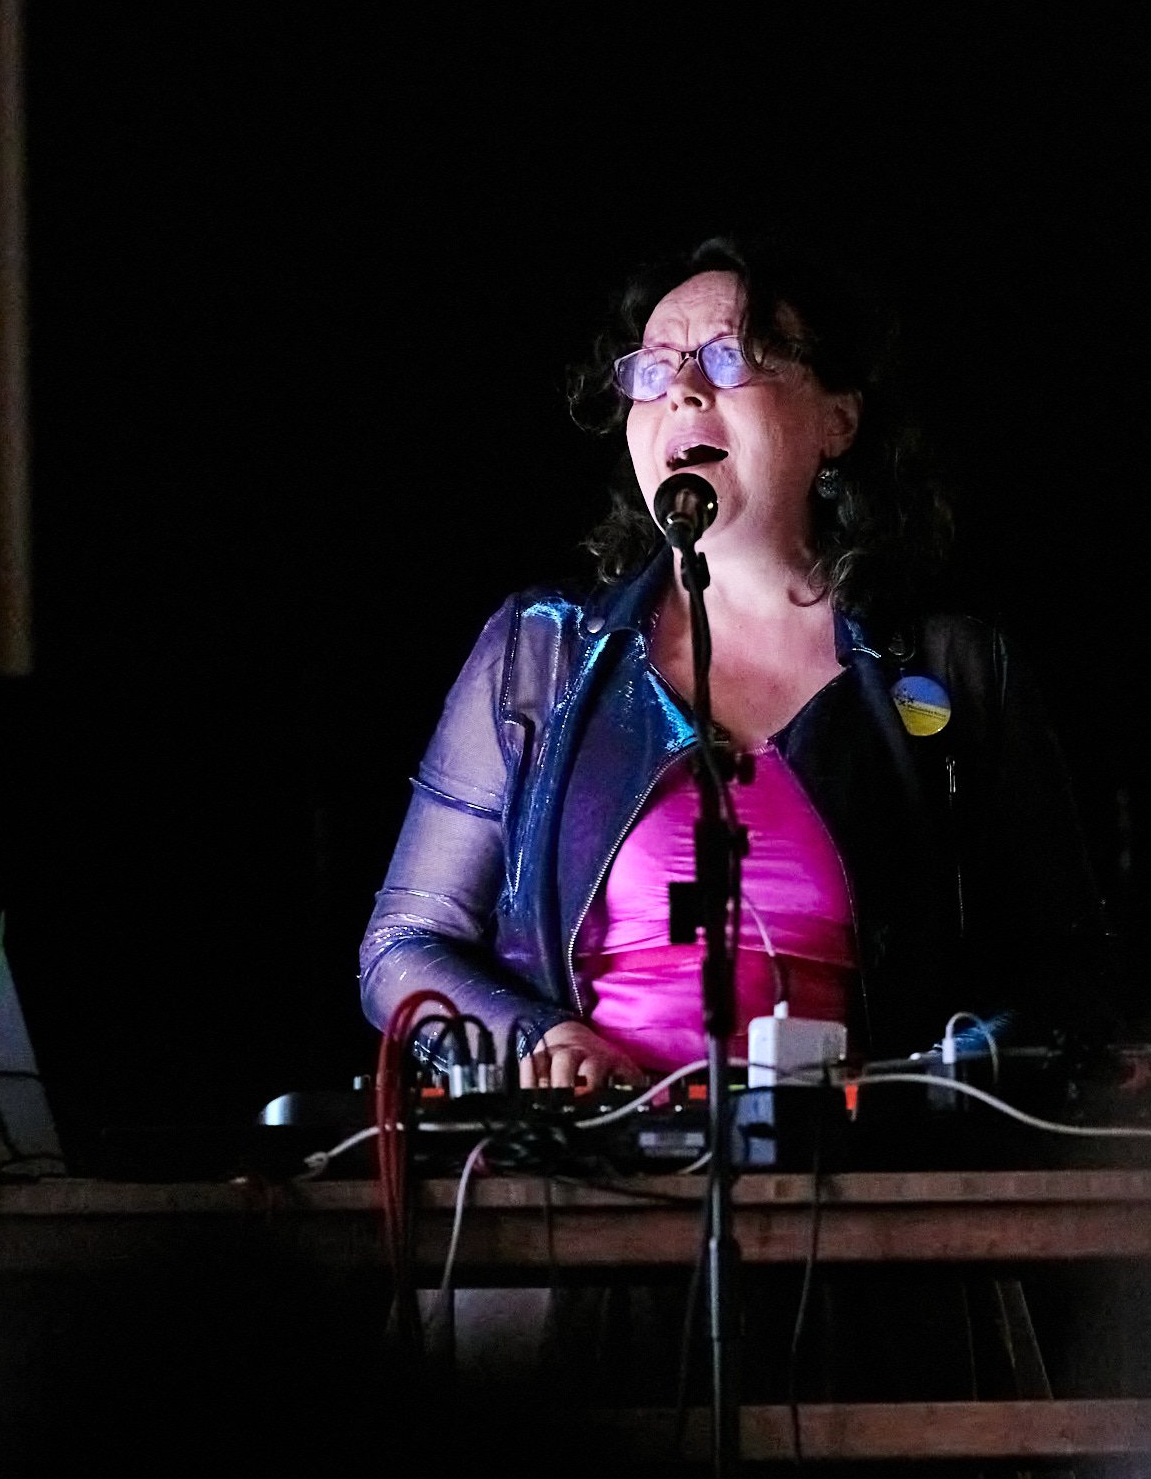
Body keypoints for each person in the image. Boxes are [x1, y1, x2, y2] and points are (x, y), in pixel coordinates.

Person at [360, 236, 1110, 1090]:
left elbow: (1064, 968)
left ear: (837, 421)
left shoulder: (956, 665)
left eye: (733, 357)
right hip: (594, 1149)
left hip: (864, 1154)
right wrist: (539, 1038)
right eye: (653, 367)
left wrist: (942, 1077)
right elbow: (402, 947)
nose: (682, 388)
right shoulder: (539, 650)